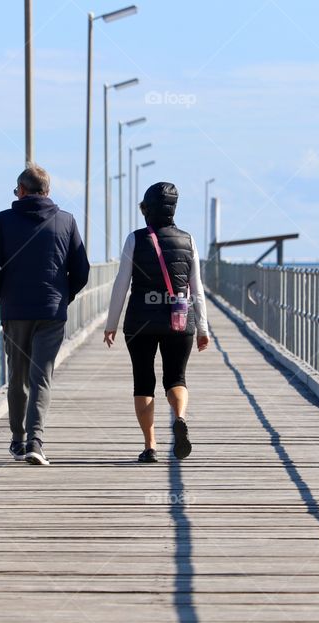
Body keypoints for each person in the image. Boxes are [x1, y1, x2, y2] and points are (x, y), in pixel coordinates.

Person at [0, 164, 90, 465]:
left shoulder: (4, 220)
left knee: (18, 376)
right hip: (51, 311)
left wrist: (0, 293)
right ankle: (35, 441)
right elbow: (81, 269)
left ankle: (17, 440)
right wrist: (64, 296)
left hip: (15, 311)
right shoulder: (66, 221)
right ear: (48, 192)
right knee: (41, 376)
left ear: (23, 190)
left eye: (16, 190)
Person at [103, 182, 210, 463]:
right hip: (179, 320)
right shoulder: (189, 240)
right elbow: (196, 289)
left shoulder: (135, 239)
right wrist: (203, 329)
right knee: (176, 377)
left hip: (140, 322)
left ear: (147, 209)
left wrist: (111, 324)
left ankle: (150, 446)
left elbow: (121, 285)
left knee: (143, 381)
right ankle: (180, 417)